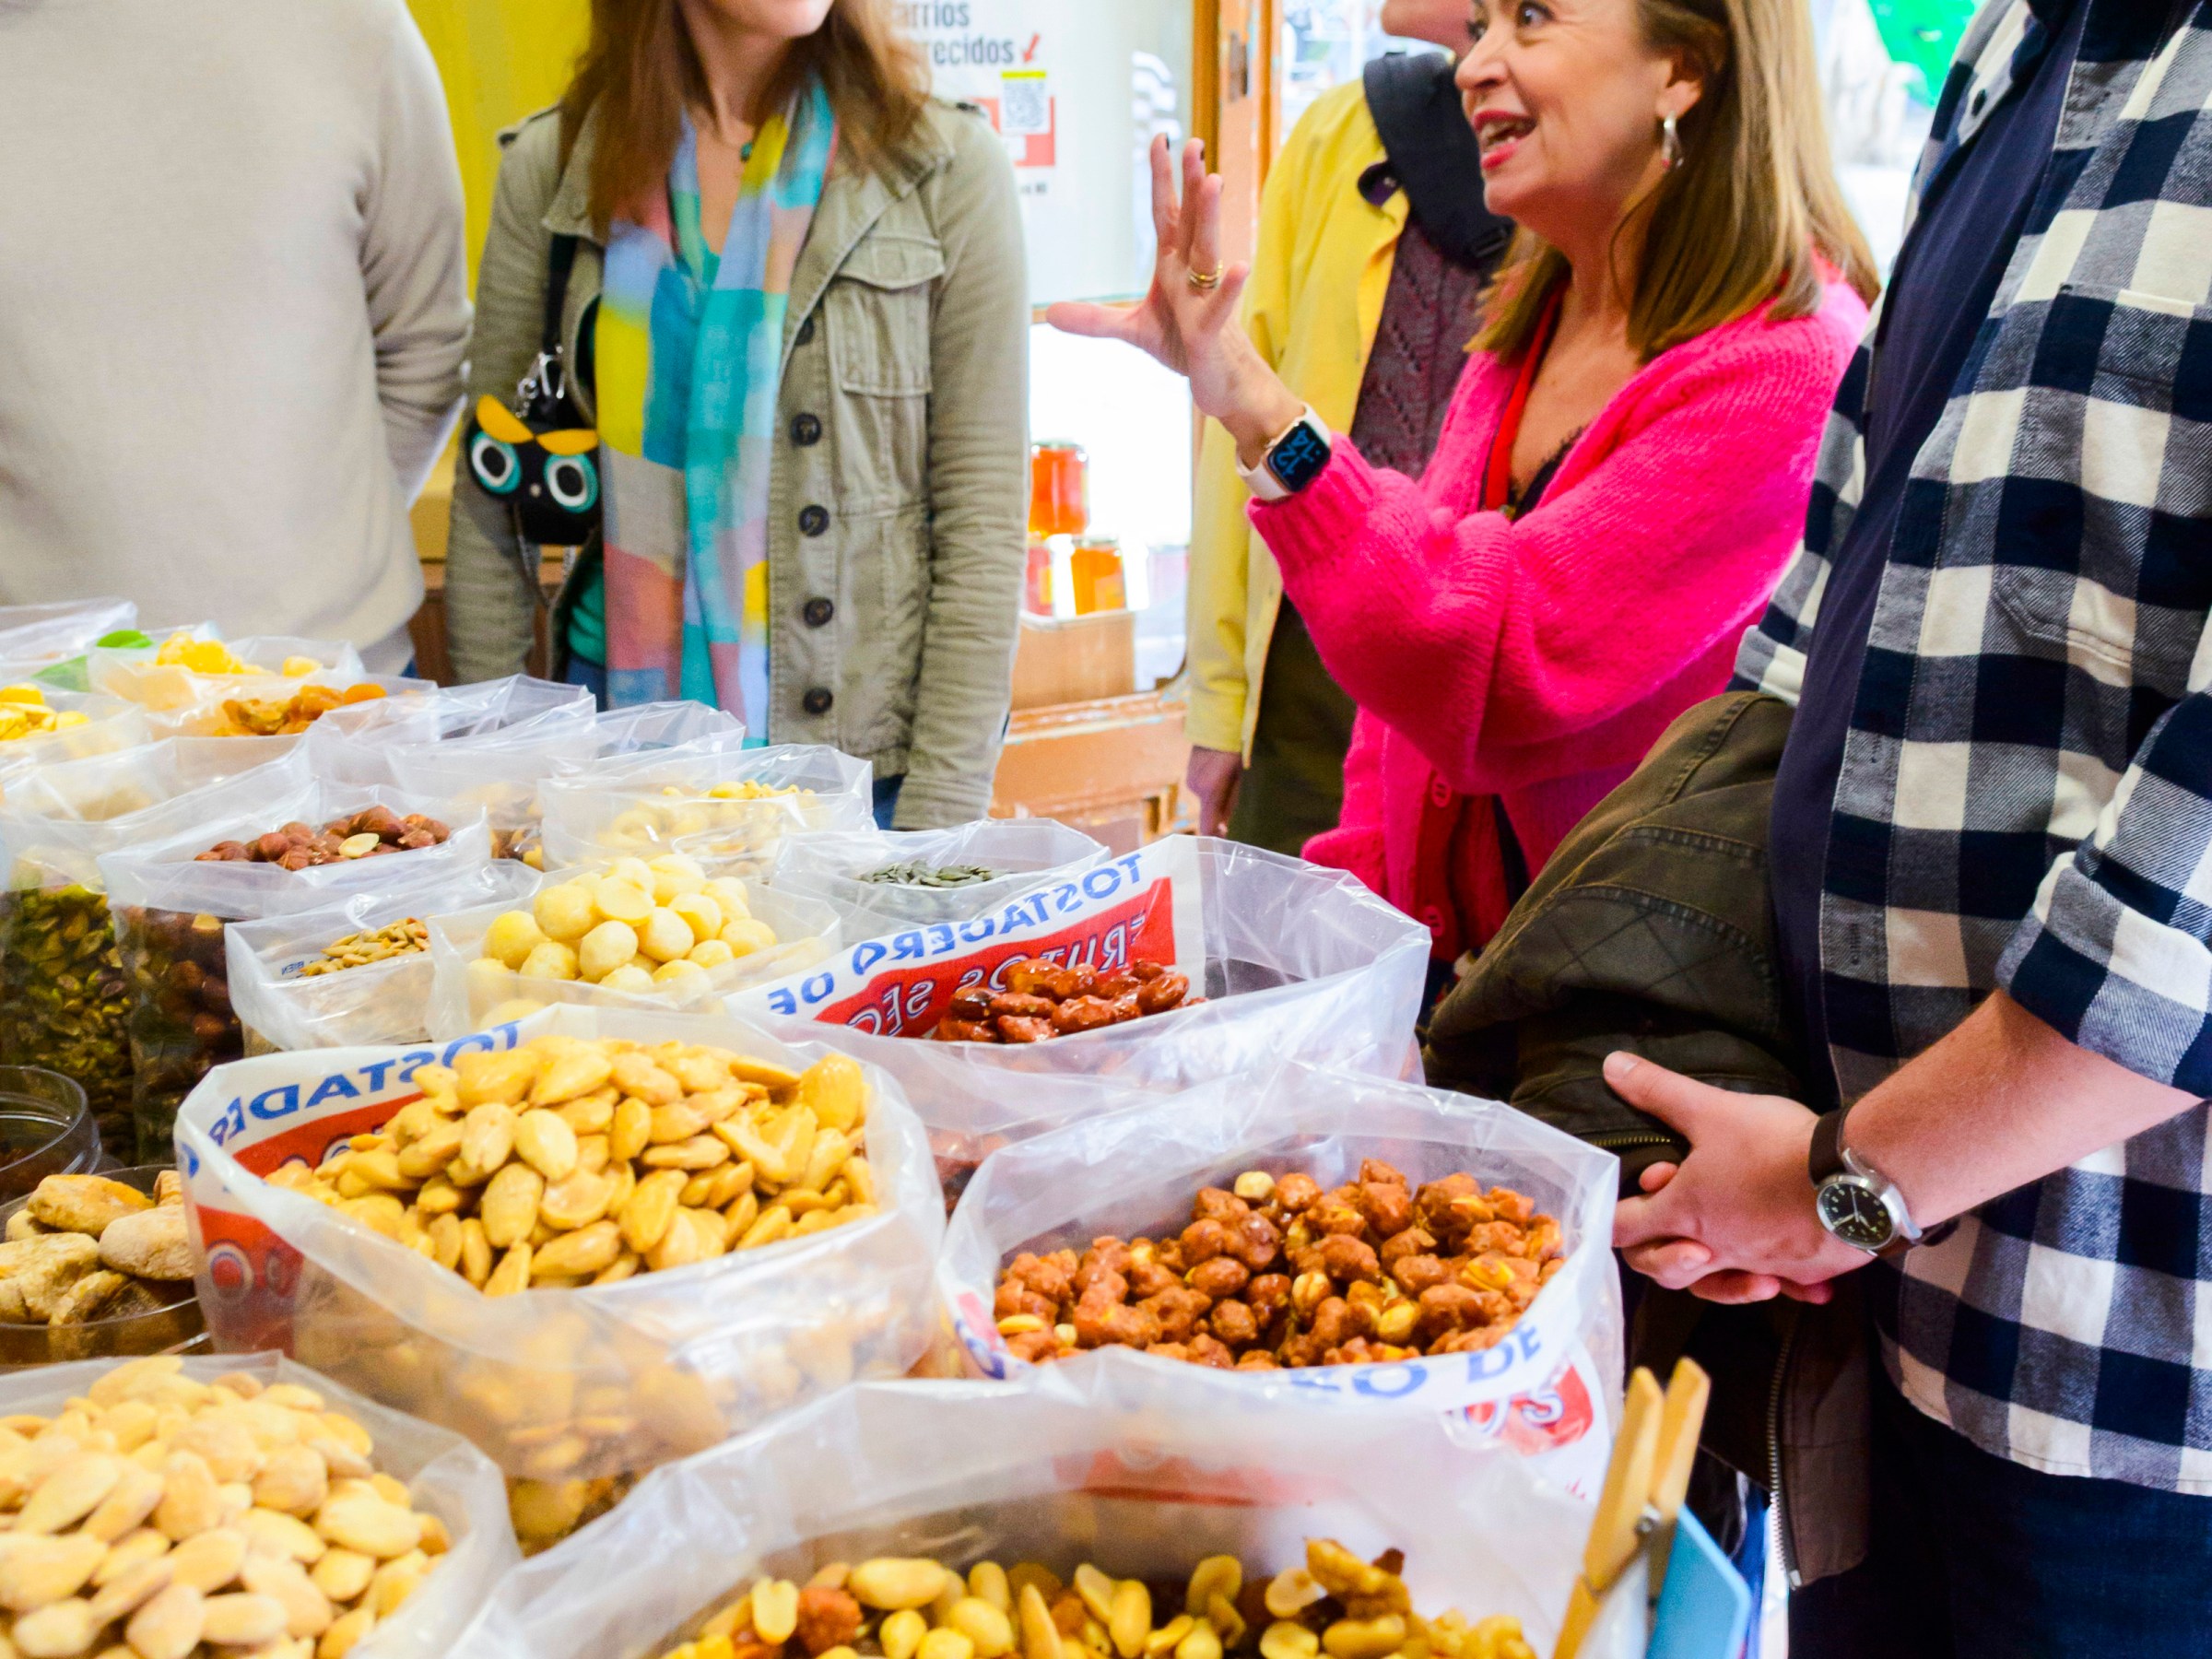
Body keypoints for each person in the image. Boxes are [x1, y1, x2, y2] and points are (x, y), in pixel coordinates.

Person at [1593, 1, 2212, 1652]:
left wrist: (1846, 1183)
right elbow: (1834, 578)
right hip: (1884, 1283)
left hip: (2129, 1371)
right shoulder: (2023, 40)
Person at [1057, 0, 1873, 994]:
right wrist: (1353, 955)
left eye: (1531, 18)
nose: (1474, 65)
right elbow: (1397, 724)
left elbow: (1490, 656)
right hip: (1467, 1001)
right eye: (1481, 23)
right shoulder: (1540, 315)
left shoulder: (1786, 362)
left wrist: (1267, 416)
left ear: (1684, 69)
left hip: (1617, 1033)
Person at [445, 0, 1029, 830]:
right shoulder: (558, 164)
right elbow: (490, 499)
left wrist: (936, 825)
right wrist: (493, 787)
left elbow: (983, 516)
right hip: (607, 767)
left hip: (858, 783)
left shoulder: (939, 167)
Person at [0, 0, 468, 672]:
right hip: (38, 717)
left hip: (338, 696)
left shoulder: (352, 23)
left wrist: (321, 568)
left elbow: (427, 345)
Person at [1185, 0, 1512, 851]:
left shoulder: (1588, 163)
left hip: (1494, 681)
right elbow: (1245, 426)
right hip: (1310, 675)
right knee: (1276, 968)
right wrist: (1220, 704)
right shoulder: (1343, 128)